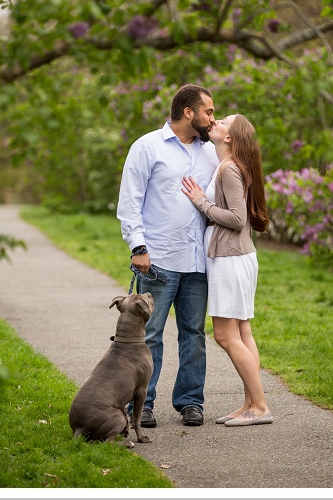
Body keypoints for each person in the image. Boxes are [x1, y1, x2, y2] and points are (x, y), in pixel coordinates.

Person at [117, 83, 218, 427]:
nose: (212, 119)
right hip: (157, 259)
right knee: (151, 335)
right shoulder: (147, 147)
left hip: (197, 261)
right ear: (189, 112)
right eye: (209, 112)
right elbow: (129, 201)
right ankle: (140, 405)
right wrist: (138, 247)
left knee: (194, 334)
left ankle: (190, 401)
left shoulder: (210, 152)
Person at [180, 114, 273, 427]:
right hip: (237, 257)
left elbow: (236, 218)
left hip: (231, 259)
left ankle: (259, 406)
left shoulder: (230, 168)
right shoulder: (228, 165)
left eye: (222, 122)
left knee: (225, 334)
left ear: (230, 137)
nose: (215, 121)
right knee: (242, 332)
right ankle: (250, 403)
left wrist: (200, 202)